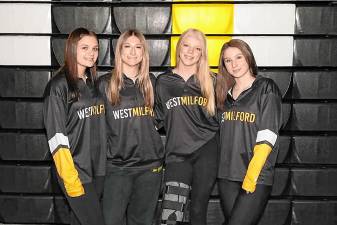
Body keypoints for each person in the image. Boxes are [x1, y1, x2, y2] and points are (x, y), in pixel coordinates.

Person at [98, 30, 164, 225]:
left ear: (144, 52)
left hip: (149, 168)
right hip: (117, 169)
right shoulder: (104, 84)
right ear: (119, 51)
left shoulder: (151, 83)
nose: (133, 52)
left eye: (138, 47)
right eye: (127, 46)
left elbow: (161, 118)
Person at [43, 28, 106, 225]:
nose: (91, 53)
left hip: (99, 171)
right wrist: (71, 179)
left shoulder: (95, 84)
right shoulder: (58, 87)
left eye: (95, 48)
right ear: (72, 49)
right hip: (76, 172)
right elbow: (56, 138)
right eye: (85, 47)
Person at [215, 39, 282, 225]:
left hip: (256, 176)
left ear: (248, 57)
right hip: (227, 176)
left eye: (238, 57)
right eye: (228, 60)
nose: (234, 64)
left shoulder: (266, 88)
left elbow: (268, 135)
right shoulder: (223, 95)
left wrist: (251, 176)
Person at [156, 28, 219, 225]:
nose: (190, 52)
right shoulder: (163, 82)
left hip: (207, 151)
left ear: (202, 53)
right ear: (178, 46)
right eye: (186, 45)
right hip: (177, 154)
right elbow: (154, 120)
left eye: (197, 48)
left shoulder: (212, 81)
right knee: (171, 215)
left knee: (198, 211)